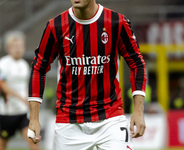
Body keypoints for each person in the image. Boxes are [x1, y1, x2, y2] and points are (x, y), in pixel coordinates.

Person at [28, 0, 147, 149]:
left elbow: (137, 63)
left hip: (110, 120)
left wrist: (138, 111)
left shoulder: (116, 22)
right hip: (69, 124)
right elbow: (39, 68)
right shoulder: (56, 26)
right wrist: (34, 118)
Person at [0, 31, 40, 150]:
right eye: (15, 46)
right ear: (8, 48)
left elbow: (25, 86)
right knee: (2, 145)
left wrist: (28, 100)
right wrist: (22, 99)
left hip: (23, 113)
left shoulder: (24, 65)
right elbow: (2, 85)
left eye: (20, 46)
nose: (18, 49)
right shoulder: (2, 64)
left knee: (33, 141)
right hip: (7, 112)